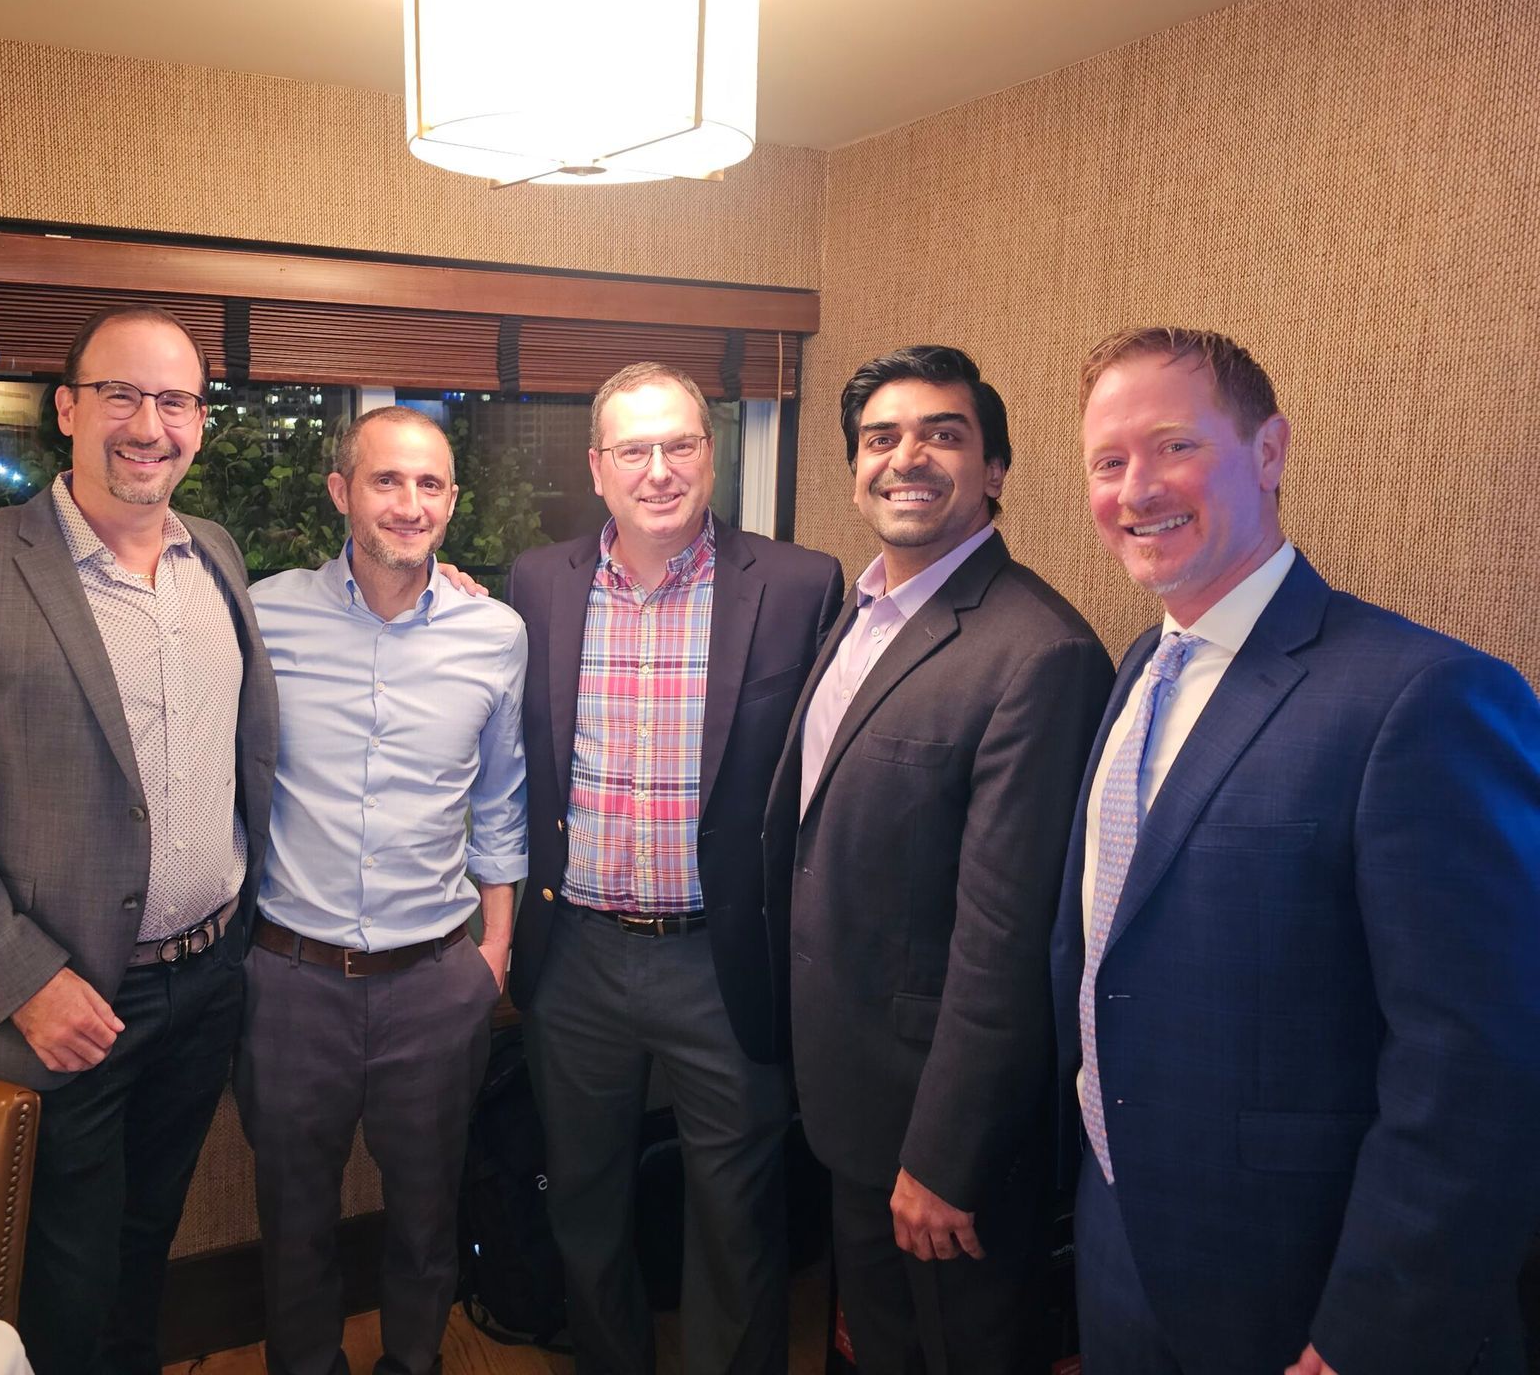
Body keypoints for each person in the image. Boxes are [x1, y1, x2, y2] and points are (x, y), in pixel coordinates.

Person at [1055, 326, 1540, 1375]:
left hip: (1304, 1293)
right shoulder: (1141, 666)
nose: (1136, 488)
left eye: (1174, 446)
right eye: (1108, 461)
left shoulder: (1423, 697)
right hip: (1122, 1244)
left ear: (1269, 452)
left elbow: (1478, 1070)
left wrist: (1369, 1335)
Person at [0, 304, 278, 1375]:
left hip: (206, 982)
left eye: (175, 400)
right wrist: (26, 980)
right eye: (122, 395)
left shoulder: (213, 557)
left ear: (201, 423)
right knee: (63, 1284)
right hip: (65, 1007)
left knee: (145, 1251)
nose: (150, 423)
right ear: (68, 409)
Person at [764, 345, 1111, 1372]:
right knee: (879, 1345)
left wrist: (945, 1156)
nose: (905, 457)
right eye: (881, 438)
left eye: (942, 434)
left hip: (937, 1139)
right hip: (850, 1099)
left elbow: (1005, 941)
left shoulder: (1037, 653)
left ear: (995, 470)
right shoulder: (859, 611)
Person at [507, 361, 843, 1374]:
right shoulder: (537, 583)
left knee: (736, 1219)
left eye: (681, 445)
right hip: (574, 957)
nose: (660, 470)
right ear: (598, 467)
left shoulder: (798, 584)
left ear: (711, 453)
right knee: (585, 1203)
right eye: (634, 450)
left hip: (722, 959)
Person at [236, 406, 527, 1375]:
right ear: (341, 493)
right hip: (291, 983)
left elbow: (500, 802)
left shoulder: (497, 634)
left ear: (452, 501)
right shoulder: (263, 615)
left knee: (426, 1223)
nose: (409, 504)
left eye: (430, 484)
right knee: (297, 1229)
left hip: (435, 982)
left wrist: (494, 956)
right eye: (386, 481)